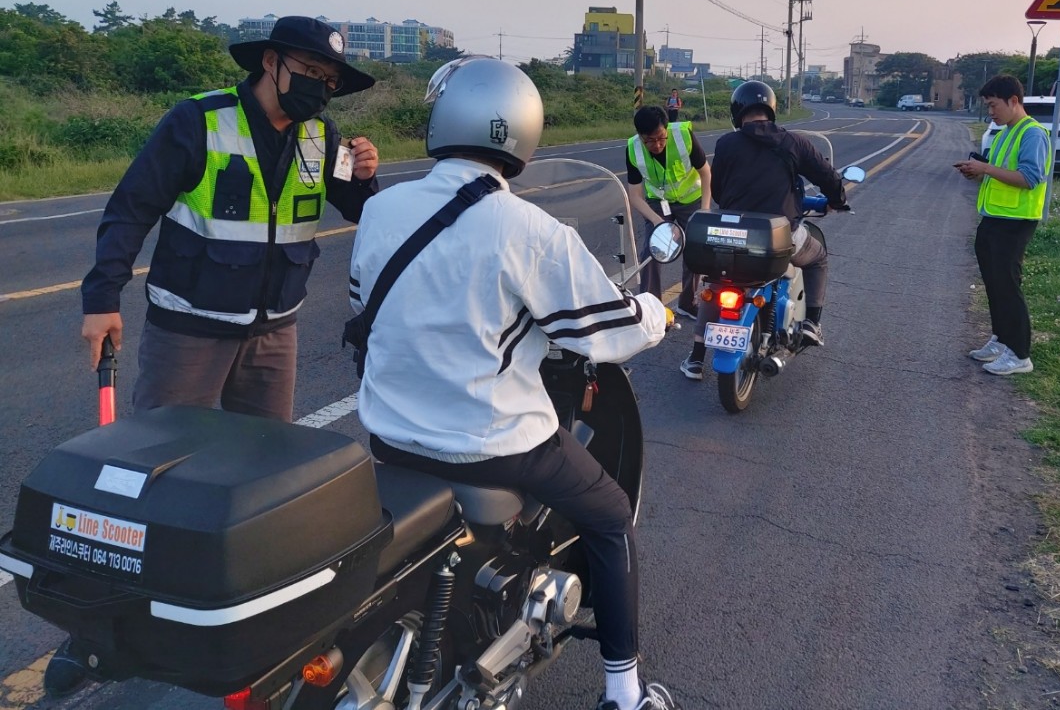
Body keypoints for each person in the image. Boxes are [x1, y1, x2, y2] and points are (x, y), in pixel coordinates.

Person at [50, 18, 382, 699]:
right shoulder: (199, 121)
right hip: (188, 333)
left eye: (330, 82)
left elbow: (357, 207)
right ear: (270, 62)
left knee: (261, 485)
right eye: (310, 72)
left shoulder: (322, 138)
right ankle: (97, 630)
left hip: (273, 335)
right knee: (144, 484)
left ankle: (240, 613)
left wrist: (368, 176)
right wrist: (101, 295)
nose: (321, 89)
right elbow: (130, 206)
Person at [351, 57, 681, 710]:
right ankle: (624, 691)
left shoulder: (382, 208)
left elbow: (364, 305)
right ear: (520, 132)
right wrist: (656, 313)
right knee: (611, 514)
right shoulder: (527, 228)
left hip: (389, 434)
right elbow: (603, 332)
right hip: (492, 441)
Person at [679, 81, 848, 381]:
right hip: (777, 238)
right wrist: (836, 200)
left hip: (731, 237)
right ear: (771, 110)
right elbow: (828, 176)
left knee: (717, 284)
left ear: (736, 111)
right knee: (818, 257)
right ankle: (812, 322)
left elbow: (718, 191)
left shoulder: (726, 144)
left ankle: (695, 358)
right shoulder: (794, 142)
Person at [955, 74, 1050, 376]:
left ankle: (1020, 354)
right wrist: (978, 173)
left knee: (1008, 287)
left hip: (1015, 222)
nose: (991, 112)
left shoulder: (1032, 134)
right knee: (994, 285)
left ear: (1013, 101)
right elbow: (1000, 174)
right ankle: (1001, 340)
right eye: (987, 106)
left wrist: (985, 168)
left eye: (994, 105)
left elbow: (1029, 178)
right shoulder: (1006, 132)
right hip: (994, 219)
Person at [626, 105, 712, 320]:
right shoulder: (633, 148)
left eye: (661, 138)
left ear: (666, 128)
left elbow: (706, 173)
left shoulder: (683, 135)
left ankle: (687, 303)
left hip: (690, 200)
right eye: (649, 140)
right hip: (658, 202)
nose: (656, 145)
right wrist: (658, 222)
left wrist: (705, 209)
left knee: (694, 249)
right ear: (640, 136)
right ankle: (650, 307)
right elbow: (635, 195)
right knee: (653, 250)